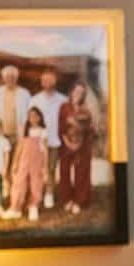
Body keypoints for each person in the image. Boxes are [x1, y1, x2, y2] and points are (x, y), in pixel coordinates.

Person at [56, 81, 97, 214]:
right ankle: (67, 199)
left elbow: (90, 129)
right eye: (76, 91)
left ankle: (80, 200)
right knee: (65, 172)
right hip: (66, 143)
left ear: (83, 95)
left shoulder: (86, 109)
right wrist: (68, 143)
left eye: (81, 92)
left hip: (83, 145)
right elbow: (61, 127)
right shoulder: (64, 107)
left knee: (82, 173)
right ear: (72, 91)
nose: (78, 94)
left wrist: (81, 141)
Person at [31, 68, 68, 208]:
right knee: (38, 168)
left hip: (55, 141)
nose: (46, 82)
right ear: (41, 82)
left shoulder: (63, 100)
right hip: (37, 140)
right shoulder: (35, 99)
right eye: (44, 80)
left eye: (49, 79)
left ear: (55, 81)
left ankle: (49, 194)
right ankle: (37, 193)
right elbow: (30, 120)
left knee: (51, 168)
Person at [9, 106, 50, 222]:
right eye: (30, 116)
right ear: (28, 118)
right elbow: (19, 147)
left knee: (36, 183)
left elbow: (45, 150)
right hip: (24, 160)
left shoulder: (43, 131)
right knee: (19, 182)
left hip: (37, 161)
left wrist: (45, 166)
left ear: (40, 117)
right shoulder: (24, 130)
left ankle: (33, 206)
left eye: (36, 116)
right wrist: (15, 162)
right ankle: (16, 207)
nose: (33, 118)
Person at [0, 64, 30, 140]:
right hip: (0, 132)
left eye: (13, 77)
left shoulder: (25, 93)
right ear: (3, 78)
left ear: (17, 78)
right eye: (7, 77)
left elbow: (29, 112)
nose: (10, 79)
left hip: (19, 132)